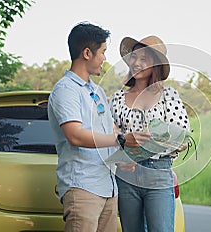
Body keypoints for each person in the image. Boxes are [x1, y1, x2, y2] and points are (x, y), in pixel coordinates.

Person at [48, 22, 150, 232]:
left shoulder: (97, 91)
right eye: (103, 52)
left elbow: (111, 132)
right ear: (87, 53)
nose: (105, 58)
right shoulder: (66, 90)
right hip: (83, 188)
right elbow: (75, 136)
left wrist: (122, 159)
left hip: (108, 188)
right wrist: (120, 139)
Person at [109, 35, 190, 232]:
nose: (136, 63)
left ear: (156, 65)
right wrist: (120, 155)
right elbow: (110, 138)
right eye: (135, 58)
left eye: (144, 59)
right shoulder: (118, 98)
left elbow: (183, 139)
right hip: (126, 176)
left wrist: (167, 141)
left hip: (158, 172)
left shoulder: (168, 96)